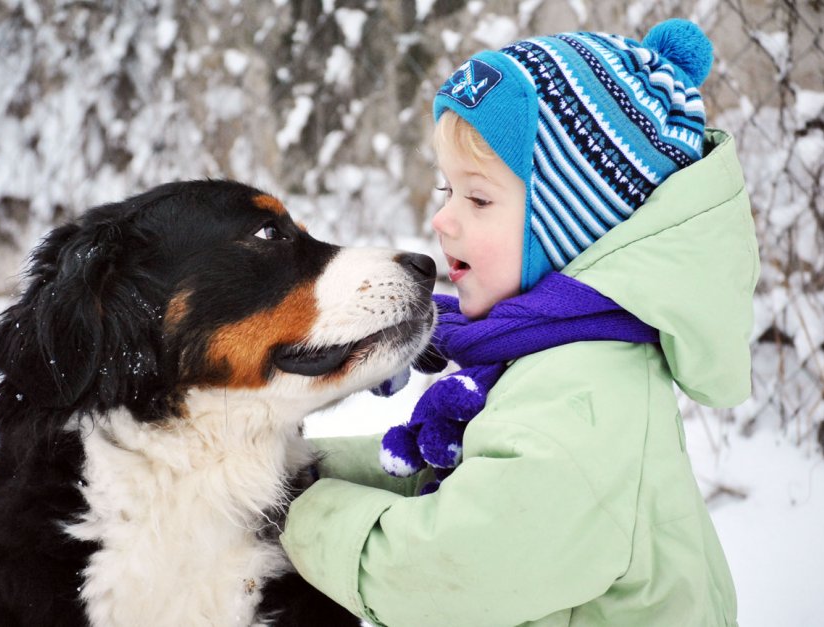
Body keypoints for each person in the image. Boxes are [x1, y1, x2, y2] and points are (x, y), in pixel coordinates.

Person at [280, 18, 757, 626]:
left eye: (478, 199)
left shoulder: (583, 398)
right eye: (446, 189)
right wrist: (298, 470)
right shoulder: (555, 352)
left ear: (574, 225)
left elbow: (450, 567)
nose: (443, 220)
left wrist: (298, 516)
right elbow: (472, 482)